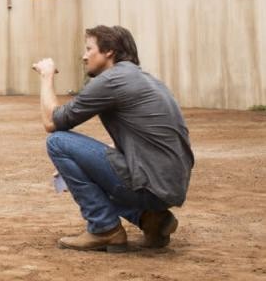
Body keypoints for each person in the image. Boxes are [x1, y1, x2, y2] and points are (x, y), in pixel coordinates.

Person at [32, 25, 194, 252]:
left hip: (150, 186)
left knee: (58, 142)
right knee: (81, 160)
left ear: (109, 51)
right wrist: (83, 166)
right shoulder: (147, 80)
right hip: (169, 186)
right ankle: (150, 219)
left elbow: (52, 122)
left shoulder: (112, 80)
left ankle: (104, 228)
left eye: (89, 49)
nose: (84, 56)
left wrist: (46, 76)